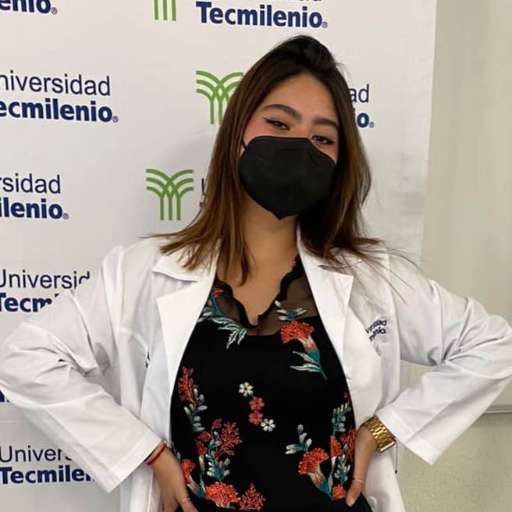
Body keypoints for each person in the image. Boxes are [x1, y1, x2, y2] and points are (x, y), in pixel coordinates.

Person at [1, 34, 511, 512]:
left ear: (339, 161)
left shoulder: (372, 278)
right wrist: (143, 453)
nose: (299, 147)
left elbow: (491, 346)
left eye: (322, 138)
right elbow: (27, 359)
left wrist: (383, 430)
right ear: (238, 131)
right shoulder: (143, 272)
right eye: (280, 124)